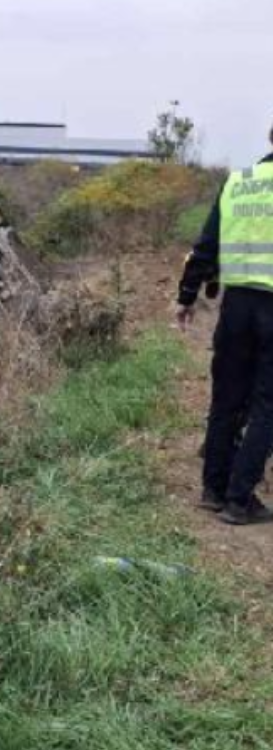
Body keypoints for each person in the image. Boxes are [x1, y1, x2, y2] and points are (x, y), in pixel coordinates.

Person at [176, 125, 273, 525]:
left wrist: (187, 295)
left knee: (226, 399)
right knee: (267, 406)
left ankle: (213, 489)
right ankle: (239, 499)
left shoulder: (238, 183)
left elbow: (206, 244)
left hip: (236, 307)